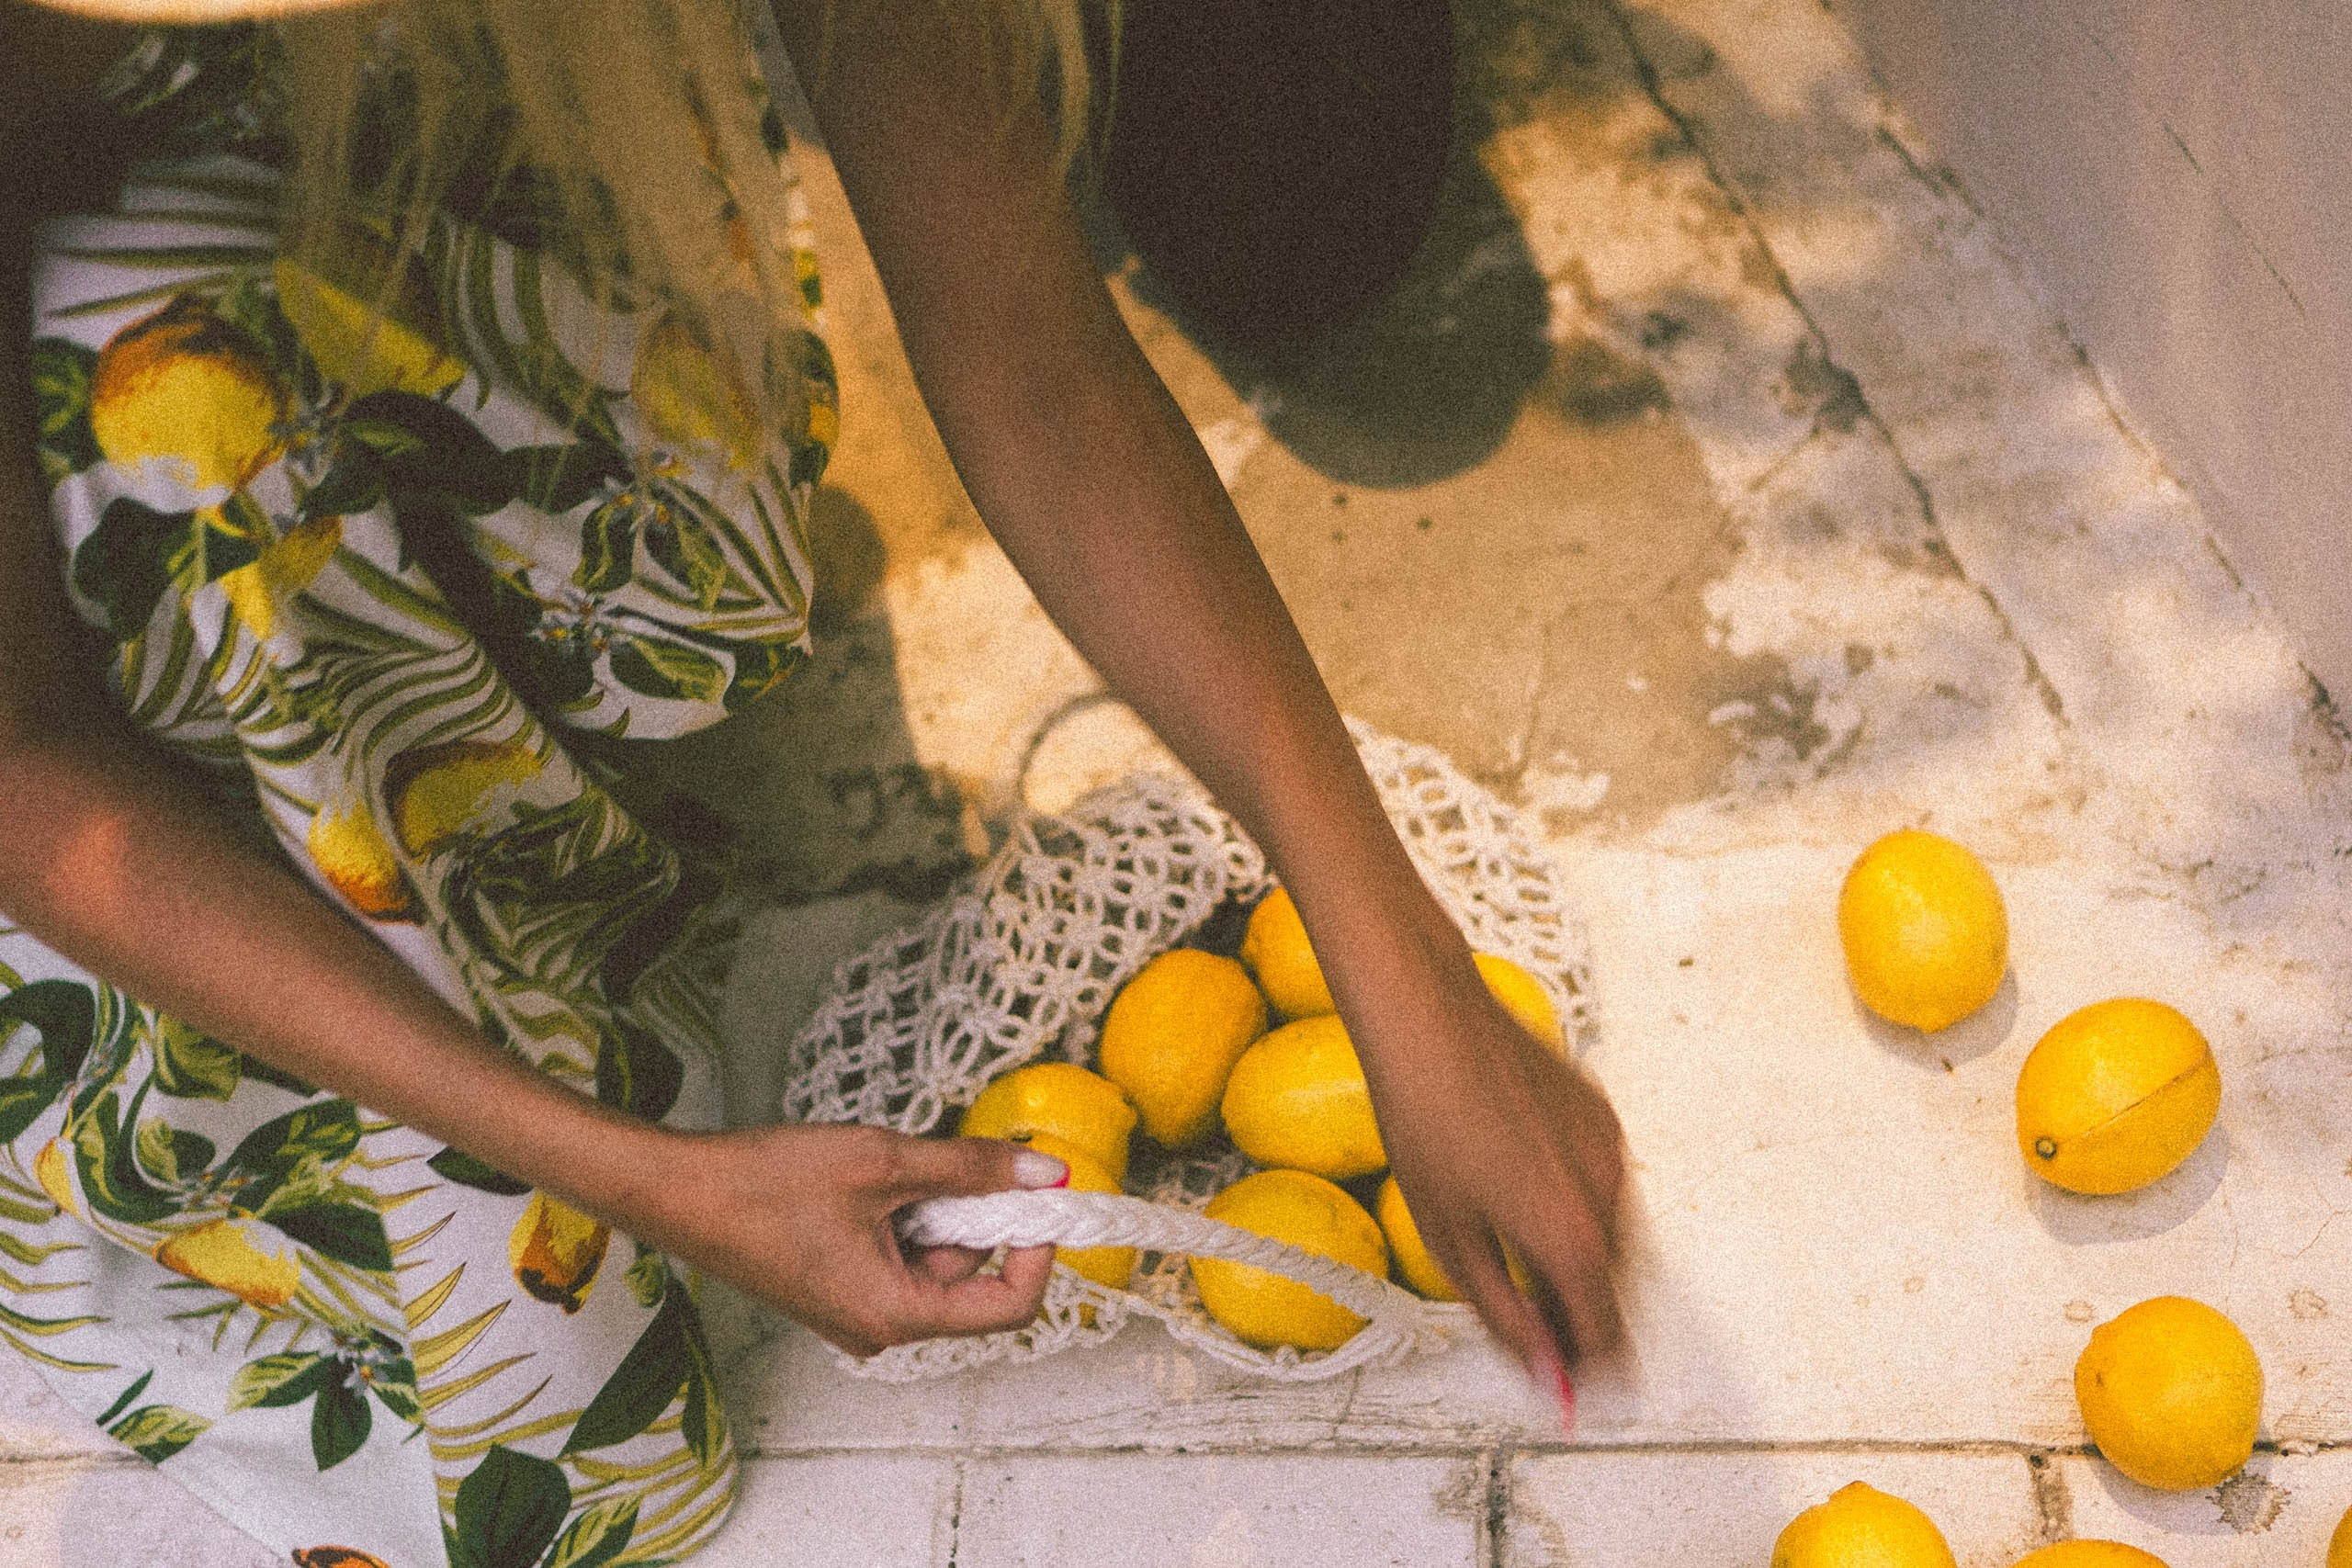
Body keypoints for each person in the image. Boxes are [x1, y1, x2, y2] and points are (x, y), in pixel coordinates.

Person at [0, 0, 1628, 1562]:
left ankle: (420, 673)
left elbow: (1034, 359)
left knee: (1298, 201)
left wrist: (1399, 965)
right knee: (566, 1455)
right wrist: (642, 1179)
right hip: (89, 502)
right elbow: (23, 763)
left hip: (399, 175)